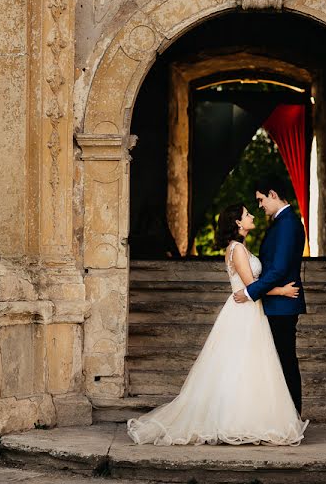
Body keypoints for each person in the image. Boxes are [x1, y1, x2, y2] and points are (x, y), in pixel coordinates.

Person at [126, 202, 309, 446]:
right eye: (247, 214)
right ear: (237, 223)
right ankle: (235, 421)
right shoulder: (238, 250)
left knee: (248, 367)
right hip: (244, 311)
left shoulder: (240, 247)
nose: (252, 215)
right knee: (241, 366)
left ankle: (248, 417)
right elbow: (248, 286)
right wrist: (282, 291)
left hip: (250, 309)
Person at [233, 177, 306, 414]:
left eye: (261, 199)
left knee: (284, 361)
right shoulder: (281, 222)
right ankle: (279, 416)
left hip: (282, 306)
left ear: (273, 194)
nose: (260, 206)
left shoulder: (287, 223)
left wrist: (249, 291)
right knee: (277, 363)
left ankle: (292, 417)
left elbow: (279, 269)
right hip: (276, 302)